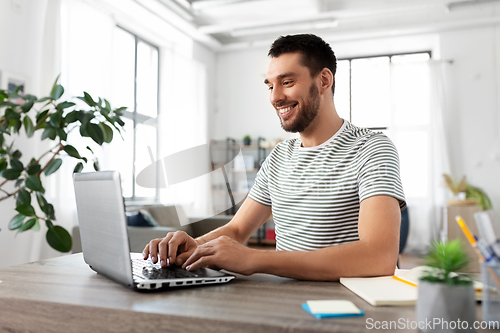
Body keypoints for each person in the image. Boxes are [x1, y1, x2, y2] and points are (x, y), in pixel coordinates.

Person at [143, 34, 406, 281]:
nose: (275, 96)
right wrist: (194, 245)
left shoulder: (371, 149)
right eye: (270, 85)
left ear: (324, 81)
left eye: (287, 82)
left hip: (346, 306)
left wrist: (257, 259)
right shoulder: (279, 156)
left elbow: (378, 257)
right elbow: (236, 230)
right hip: (282, 299)